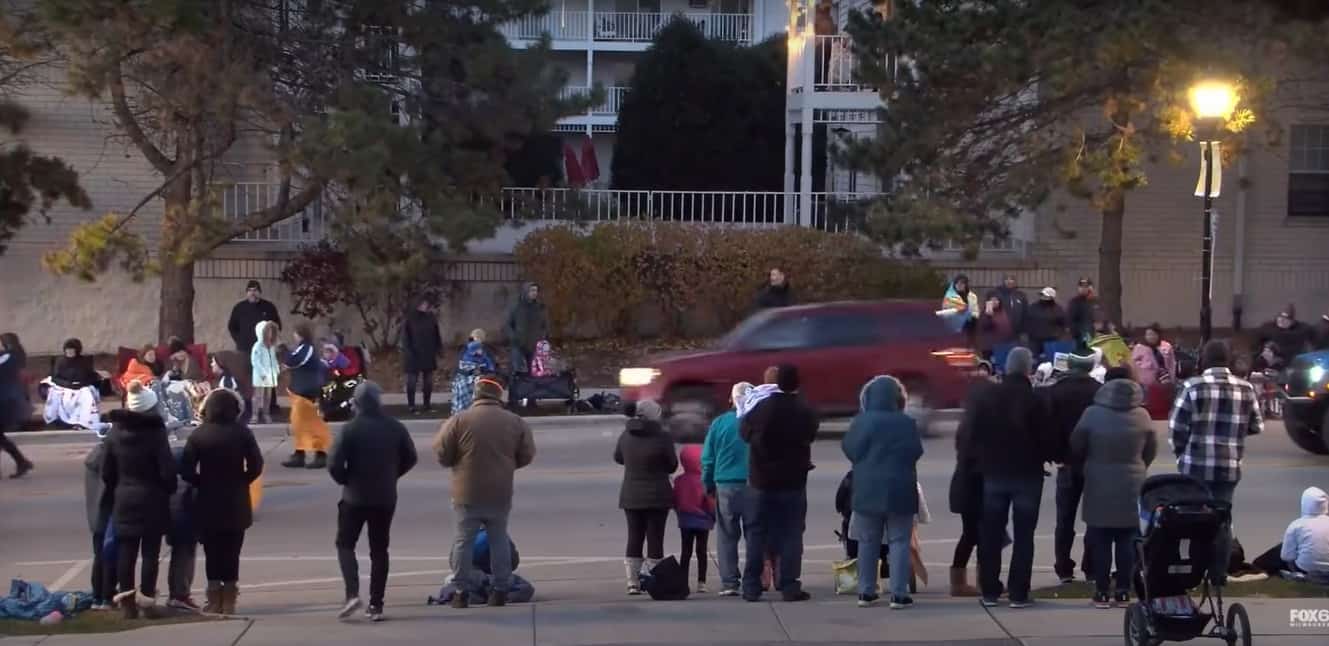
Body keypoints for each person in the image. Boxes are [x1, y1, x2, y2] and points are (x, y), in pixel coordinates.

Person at [434, 377, 536, 608]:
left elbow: (441, 451)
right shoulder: (515, 421)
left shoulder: (458, 421)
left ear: (476, 395)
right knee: (498, 538)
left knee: (463, 541)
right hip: (500, 492)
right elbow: (527, 453)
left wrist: (456, 464)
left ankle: (460, 591)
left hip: (466, 491)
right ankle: (500, 589)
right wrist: (507, 466)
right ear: (498, 396)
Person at [1169, 340, 1262, 587]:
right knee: (1222, 521)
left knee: (1195, 519)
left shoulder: (1191, 386)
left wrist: (1181, 453)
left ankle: (1196, 572)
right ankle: (1218, 575)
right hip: (1229, 466)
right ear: (1228, 360)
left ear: (1204, 360)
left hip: (1195, 466)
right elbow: (1257, 425)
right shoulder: (1246, 388)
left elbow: (1177, 427)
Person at [969, 347, 1052, 608]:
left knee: (991, 533)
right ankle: (1018, 592)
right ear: (1028, 368)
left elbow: (975, 433)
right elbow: (1046, 436)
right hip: (1028, 473)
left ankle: (990, 590)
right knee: (1025, 535)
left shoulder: (988, 396)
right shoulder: (1035, 399)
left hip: (994, 472)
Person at [329, 381, 417, 622]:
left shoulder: (350, 429)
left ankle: (352, 594)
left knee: (345, 544)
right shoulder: (395, 427)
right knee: (379, 549)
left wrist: (345, 479)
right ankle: (376, 604)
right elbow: (411, 457)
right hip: (385, 497)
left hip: (354, 496)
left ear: (356, 403)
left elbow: (334, 463)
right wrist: (393, 474)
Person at [1069, 377, 1157, 608]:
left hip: (1098, 479)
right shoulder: (1142, 416)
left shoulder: (1091, 414)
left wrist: (1086, 464)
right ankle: (1123, 590)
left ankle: (1101, 590)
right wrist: (1138, 466)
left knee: (1100, 538)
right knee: (1127, 539)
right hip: (1132, 481)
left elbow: (1076, 444)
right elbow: (1151, 449)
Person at [179, 388, 263, 615]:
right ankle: (230, 598)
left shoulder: (198, 435)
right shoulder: (243, 433)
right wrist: (243, 480)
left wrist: (200, 481)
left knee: (212, 552)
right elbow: (256, 464)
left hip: (208, 498)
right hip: (236, 498)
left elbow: (186, 468)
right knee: (232, 551)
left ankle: (214, 597)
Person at [842, 375, 923, 609]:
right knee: (899, 541)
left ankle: (866, 592)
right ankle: (899, 594)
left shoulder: (861, 422)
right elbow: (915, 451)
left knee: (868, 541)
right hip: (900, 489)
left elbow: (850, 449)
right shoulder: (907, 423)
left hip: (867, 489)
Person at [740, 364, 819, 602]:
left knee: (756, 533)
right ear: (797, 383)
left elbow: (744, 433)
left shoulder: (761, 408)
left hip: (761, 481)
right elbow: (811, 435)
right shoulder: (805, 410)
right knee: (792, 533)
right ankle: (789, 584)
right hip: (793, 481)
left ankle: (752, 585)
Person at [103, 381, 177, 619]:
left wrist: (118, 488)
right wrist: (169, 488)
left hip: (124, 497)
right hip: (152, 497)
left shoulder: (114, 433)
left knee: (126, 551)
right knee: (150, 553)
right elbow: (167, 470)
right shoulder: (156, 433)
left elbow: (107, 471)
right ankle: (147, 601)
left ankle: (127, 603)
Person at [1043, 353, 1102, 584]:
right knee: (1094, 517)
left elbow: (1048, 426)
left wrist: (1055, 455)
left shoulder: (1055, 391)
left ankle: (1064, 567)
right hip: (1094, 461)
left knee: (1065, 519)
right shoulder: (1099, 390)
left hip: (1067, 462)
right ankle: (1091, 566)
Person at [614, 400, 677, 595]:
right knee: (655, 538)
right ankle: (653, 578)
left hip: (631, 494)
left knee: (634, 536)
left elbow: (618, 458)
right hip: (658, 494)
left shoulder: (626, 435)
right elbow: (672, 465)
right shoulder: (663, 437)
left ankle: (632, 581)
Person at [700, 382, 755, 596]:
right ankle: (753, 578)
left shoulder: (720, 423)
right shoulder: (757, 422)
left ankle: (730, 582)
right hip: (753, 485)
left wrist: (707, 484)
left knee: (726, 535)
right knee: (754, 534)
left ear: (731, 399)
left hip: (725, 484)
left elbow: (708, 458)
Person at [226, 281, 282, 415]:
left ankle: (270, 406)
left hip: (266, 349)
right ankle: (247, 405)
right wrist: (239, 340)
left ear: (260, 292)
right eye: (250, 290)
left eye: (255, 290)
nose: (252, 293)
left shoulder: (268, 307)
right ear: (246, 292)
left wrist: (271, 341)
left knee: (267, 377)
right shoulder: (239, 308)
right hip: (245, 349)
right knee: (247, 377)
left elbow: (277, 325)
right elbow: (232, 327)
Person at [1252, 487, 1329, 580]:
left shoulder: (1296, 525)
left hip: (1304, 569)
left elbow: (1286, 557)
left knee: (1282, 547)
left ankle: (1257, 567)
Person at [282, 324, 331, 469]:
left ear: (300, 334)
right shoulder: (303, 348)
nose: (294, 336)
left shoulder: (307, 348)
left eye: (295, 334)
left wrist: (283, 350)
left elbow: (295, 361)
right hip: (301, 391)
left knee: (311, 423)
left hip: (307, 391)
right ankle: (300, 453)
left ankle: (320, 455)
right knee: (299, 424)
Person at [674, 444, 715, 593]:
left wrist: (679, 512)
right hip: (703, 520)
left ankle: (683, 580)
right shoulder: (705, 481)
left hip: (685, 520)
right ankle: (701, 582)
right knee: (701, 551)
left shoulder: (679, 480)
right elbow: (710, 502)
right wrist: (713, 516)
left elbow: (675, 499)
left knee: (686, 551)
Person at [83, 432, 117, 610]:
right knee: (110, 556)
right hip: (108, 514)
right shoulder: (107, 458)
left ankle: (98, 595)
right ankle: (107, 596)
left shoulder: (93, 458)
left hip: (96, 516)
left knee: (99, 556)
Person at [166, 444, 199, 612]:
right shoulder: (188, 483)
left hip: (173, 526)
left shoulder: (168, 482)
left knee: (178, 558)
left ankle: (178, 594)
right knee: (184, 561)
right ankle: (179, 594)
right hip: (186, 527)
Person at [0, 333, 34, 478]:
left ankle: (22, 462)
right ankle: (21, 462)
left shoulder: (9, 357)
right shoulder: (14, 356)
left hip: (5, 400)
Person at [401, 297, 443, 414]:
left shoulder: (431, 318)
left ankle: (427, 405)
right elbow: (405, 338)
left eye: (426, 304)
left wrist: (438, 349)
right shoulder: (410, 319)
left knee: (428, 381)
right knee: (412, 381)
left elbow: (436, 334)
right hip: (413, 355)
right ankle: (411, 405)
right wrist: (409, 352)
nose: (424, 306)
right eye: (422, 304)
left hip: (428, 354)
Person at [504, 282, 549, 375]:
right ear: (526, 291)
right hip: (518, 343)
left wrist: (542, 336)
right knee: (517, 370)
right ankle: (517, 387)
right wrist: (513, 337)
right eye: (532, 290)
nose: (534, 293)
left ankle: (531, 388)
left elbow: (544, 324)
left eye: (536, 290)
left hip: (534, 344)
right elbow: (508, 325)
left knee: (533, 371)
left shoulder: (539, 307)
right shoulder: (516, 307)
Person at [452, 329, 496, 416]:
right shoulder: (464, 349)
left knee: (476, 385)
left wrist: (481, 370)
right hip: (465, 376)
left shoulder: (486, 350)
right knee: (463, 385)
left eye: (479, 338)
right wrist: (469, 371)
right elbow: (459, 366)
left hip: (481, 376)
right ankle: (462, 411)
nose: (477, 340)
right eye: (476, 337)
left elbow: (491, 366)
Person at [1025, 288, 1068, 361]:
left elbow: (1063, 324)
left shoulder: (1058, 309)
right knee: (1035, 360)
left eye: (1045, 295)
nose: (1043, 297)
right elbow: (1027, 320)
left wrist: (1058, 334)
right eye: (1042, 295)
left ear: (1051, 297)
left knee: (1051, 360)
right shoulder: (1033, 307)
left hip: (1051, 340)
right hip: (1035, 341)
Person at [249, 321, 280, 424]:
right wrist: (262, 373)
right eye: (268, 331)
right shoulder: (257, 346)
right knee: (258, 396)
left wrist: (276, 369)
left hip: (270, 375)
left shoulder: (271, 347)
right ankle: (255, 414)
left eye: (271, 331)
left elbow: (274, 360)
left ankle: (266, 414)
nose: (270, 334)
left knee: (268, 396)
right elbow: (255, 361)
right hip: (260, 376)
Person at [210, 352, 251, 424]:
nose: (211, 364)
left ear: (220, 364)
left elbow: (227, 402)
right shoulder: (223, 379)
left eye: (213, 362)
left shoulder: (227, 381)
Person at [987, 275, 1028, 342]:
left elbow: (1025, 313)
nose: (1009, 281)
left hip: (1016, 334)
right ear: (1003, 281)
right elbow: (988, 311)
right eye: (1007, 279)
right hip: (998, 333)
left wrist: (1024, 331)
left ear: (1015, 282)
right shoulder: (994, 294)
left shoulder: (1021, 295)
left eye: (1011, 279)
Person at [976, 294, 1016, 360]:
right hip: (988, 347)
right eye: (992, 300)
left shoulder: (1004, 312)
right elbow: (984, 326)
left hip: (1002, 345)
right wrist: (989, 316)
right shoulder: (984, 314)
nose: (994, 302)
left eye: (996, 300)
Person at [1068, 278, 1097, 351]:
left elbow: (1101, 316)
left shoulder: (1095, 302)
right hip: (1080, 336)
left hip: (1095, 335)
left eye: (1086, 286)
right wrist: (1076, 332)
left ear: (1090, 288)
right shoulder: (1074, 302)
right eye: (1082, 287)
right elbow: (1070, 319)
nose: (1083, 289)